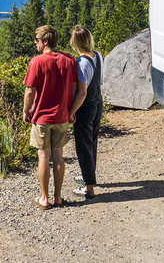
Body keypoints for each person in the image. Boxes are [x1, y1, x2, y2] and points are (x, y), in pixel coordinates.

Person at [23, 25, 77, 210]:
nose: (35, 43)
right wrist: (71, 111)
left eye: (37, 40)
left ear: (45, 42)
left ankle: (44, 198)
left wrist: (26, 111)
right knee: (59, 157)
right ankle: (58, 197)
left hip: (42, 119)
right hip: (62, 117)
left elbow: (30, 90)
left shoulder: (37, 62)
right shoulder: (69, 60)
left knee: (43, 157)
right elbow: (76, 88)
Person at [68, 25, 104, 199]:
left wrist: (71, 111)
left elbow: (82, 93)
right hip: (98, 103)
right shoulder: (97, 55)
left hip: (87, 106)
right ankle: (89, 176)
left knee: (83, 146)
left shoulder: (81, 63)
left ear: (74, 43)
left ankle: (88, 187)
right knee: (92, 142)